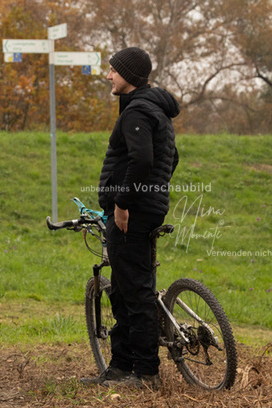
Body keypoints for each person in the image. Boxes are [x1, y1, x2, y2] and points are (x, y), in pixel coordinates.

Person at [82, 46, 179, 390]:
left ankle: (145, 373)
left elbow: (141, 160)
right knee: (123, 289)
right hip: (144, 206)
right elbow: (171, 157)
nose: (108, 75)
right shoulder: (154, 111)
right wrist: (155, 192)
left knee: (134, 292)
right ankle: (121, 366)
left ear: (130, 76)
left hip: (131, 212)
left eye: (113, 71)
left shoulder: (138, 111)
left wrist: (123, 202)